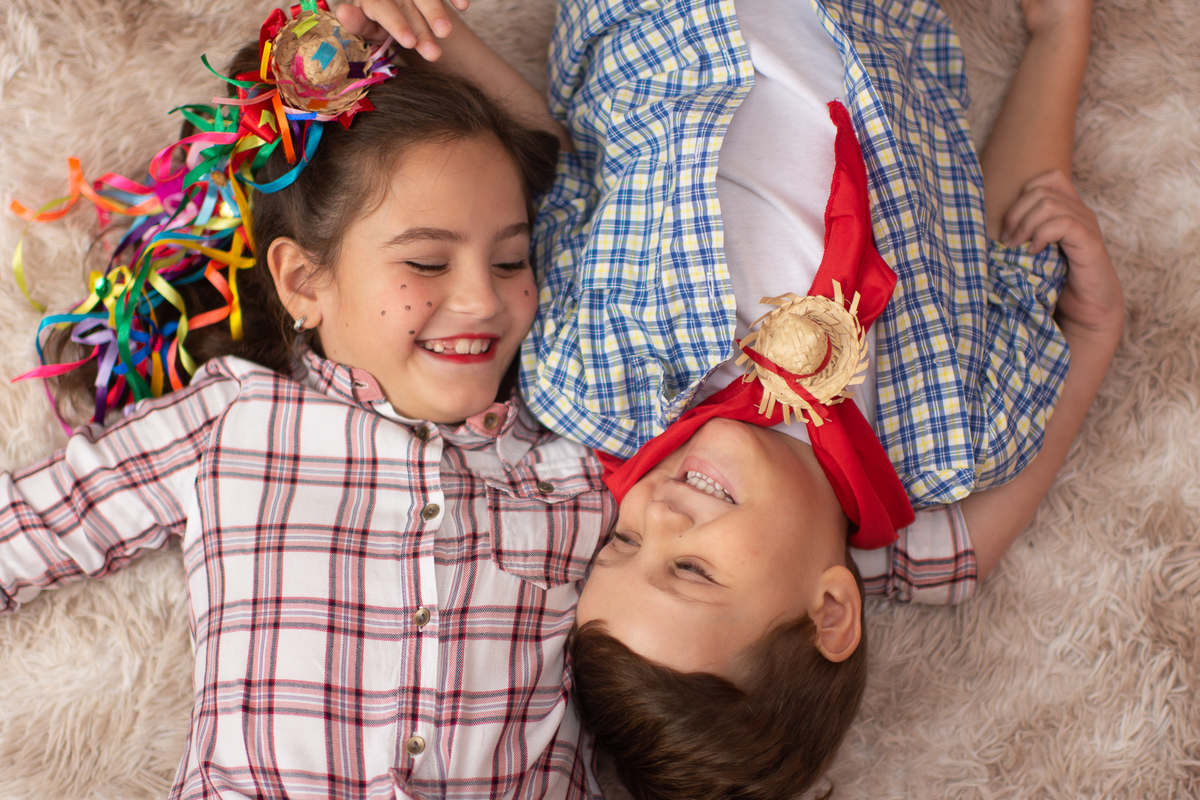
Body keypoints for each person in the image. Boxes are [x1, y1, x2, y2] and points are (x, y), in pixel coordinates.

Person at [341, 0, 1122, 796]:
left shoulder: (595, 387)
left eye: (622, 545)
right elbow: (987, 240)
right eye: (690, 568)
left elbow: (559, 167)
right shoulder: (958, 435)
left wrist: (425, 35)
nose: (660, 515)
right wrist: (1061, 34)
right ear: (830, 612)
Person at [0, 5, 615, 798]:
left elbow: (583, 188)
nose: (481, 300)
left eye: (509, 260)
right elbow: (37, 522)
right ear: (302, 281)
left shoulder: (570, 462)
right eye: (427, 263)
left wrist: (444, 38)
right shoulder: (237, 423)